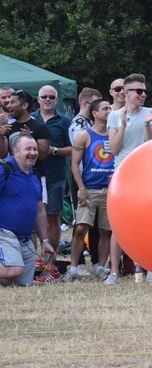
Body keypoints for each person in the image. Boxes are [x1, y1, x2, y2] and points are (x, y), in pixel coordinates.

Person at [105, 73, 152, 284]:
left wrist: (147, 125)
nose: (143, 95)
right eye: (138, 91)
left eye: (144, 91)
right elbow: (114, 148)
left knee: (148, 222)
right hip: (122, 173)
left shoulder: (151, 113)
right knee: (119, 225)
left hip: (146, 173)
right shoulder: (114, 116)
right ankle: (114, 272)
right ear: (126, 93)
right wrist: (123, 124)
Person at [65, 99, 114, 282]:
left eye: (110, 108)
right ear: (94, 113)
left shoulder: (114, 134)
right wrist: (81, 188)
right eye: (105, 108)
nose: (109, 111)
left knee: (105, 230)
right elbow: (74, 164)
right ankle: (73, 268)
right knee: (80, 229)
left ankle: (101, 266)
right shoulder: (84, 136)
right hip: (90, 188)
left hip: (110, 190)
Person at [30, 85, 73, 283]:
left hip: (55, 176)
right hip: (33, 176)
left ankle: (52, 262)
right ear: (37, 99)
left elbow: (73, 148)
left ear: (56, 100)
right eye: (44, 96)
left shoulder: (64, 121)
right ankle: (37, 260)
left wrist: (52, 150)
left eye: (51, 97)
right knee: (35, 218)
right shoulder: (30, 119)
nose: (47, 99)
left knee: (53, 218)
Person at [0, 134, 55, 286]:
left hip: (24, 240)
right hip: (4, 234)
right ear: (16, 151)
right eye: (28, 149)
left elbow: (39, 210)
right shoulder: (5, 170)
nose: (33, 153)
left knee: (23, 282)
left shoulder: (35, 176)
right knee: (15, 270)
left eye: (35, 149)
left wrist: (44, 241)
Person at [0, 90, 51, 163]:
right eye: (8, 103)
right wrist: (1, 137)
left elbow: (43, 156)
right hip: (14, 173)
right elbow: (2, 156)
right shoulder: (8, 127)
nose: (8, 106)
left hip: (35, 173)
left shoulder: (41, 127)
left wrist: (30, 138)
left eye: (12, 102)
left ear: (24, 105)